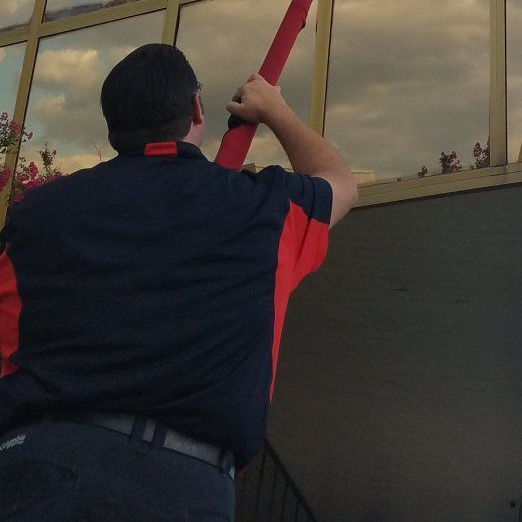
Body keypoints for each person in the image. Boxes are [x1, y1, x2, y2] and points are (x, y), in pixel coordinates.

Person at [0, 43, 358, 521]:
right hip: (181, 486)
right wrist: (275, 110)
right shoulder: (262, 209)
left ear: (113, 126)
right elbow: (340, 182)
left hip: (39, 469)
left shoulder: (36, 217)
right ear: (196, 107)